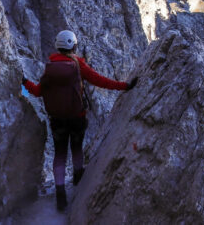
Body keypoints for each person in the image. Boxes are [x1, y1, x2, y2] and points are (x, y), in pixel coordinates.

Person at [22, 30, 136, 212]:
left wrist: (23, 84)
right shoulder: (78, 66)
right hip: (77, 117)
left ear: (58, 46)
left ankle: (60, 193)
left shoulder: (50, 68)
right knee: (76, 147)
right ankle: (77, 175)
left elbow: (36, 92)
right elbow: (101, 81)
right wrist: (125, 86)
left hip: (57, 120)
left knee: (59, 153)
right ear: (74, 46)